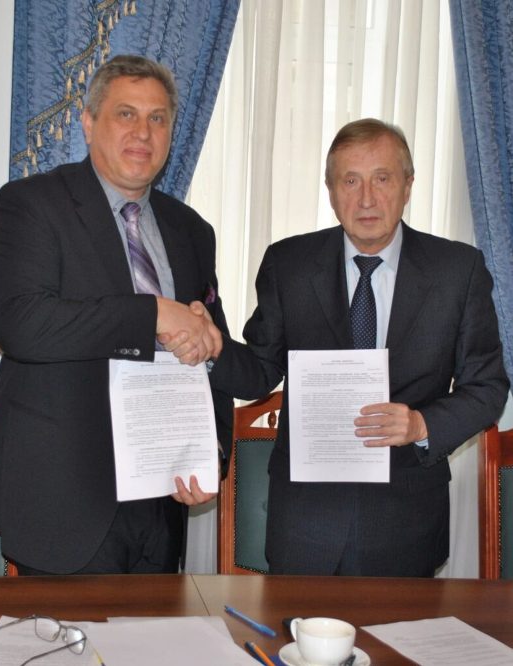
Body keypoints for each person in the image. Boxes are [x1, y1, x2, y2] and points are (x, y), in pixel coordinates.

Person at [203, 118, 510, 576]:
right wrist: (214, 350)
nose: (366, 198)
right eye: (350, 181)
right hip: (304, 521)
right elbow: (261, 369)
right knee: (296, 627)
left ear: (408, 185)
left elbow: (487, 388)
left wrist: (422, 423)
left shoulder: (457, 270)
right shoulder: (288, 264)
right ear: (330, 191)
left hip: (406, 520)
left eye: (382, 178)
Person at [0, 55, 232, 575]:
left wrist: (211, 451)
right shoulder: (32, 203)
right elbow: (20, 325)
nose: (143, 132)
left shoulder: (191, 230)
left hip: (161, 499)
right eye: (125, 114)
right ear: (88, 123)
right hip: (64, 499)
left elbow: (209, 352)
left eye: (158, 118)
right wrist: (152, 314)